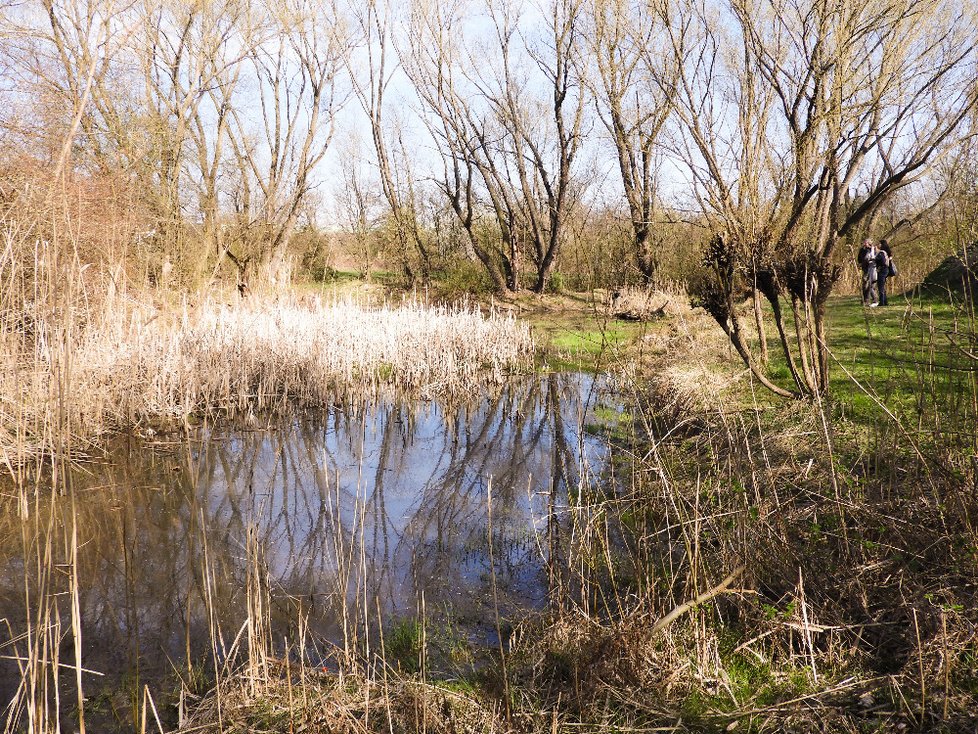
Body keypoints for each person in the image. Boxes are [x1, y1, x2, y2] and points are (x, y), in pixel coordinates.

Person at [858, 238, 878, 306]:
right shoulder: (862, 250)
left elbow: (877, 258)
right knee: (865, 284)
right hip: (865, 268)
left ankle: (874, 299)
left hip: (872, 268)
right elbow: (859, 259)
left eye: (866, 242)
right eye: (864, 242)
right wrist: (861, 263)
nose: (864, 243)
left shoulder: (873, 249)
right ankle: (865, 299)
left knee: (872, 285)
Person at [875, 240, 892, 306]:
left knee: (880, 287)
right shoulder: (886, 252)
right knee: (882, 286)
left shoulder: (881, 253)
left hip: (882, 270)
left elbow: (882, 261)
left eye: (879, 244)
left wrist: (875, 260)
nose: (878, 245)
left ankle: (881, 302)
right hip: (885, 270)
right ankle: (885, 302)